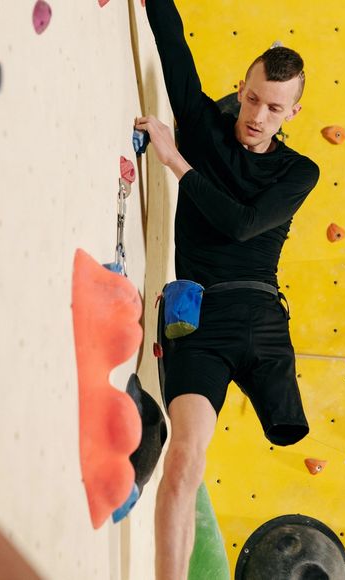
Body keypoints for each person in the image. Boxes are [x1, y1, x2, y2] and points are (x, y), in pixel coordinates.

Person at [135, 0, 320, 578]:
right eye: (252, 98)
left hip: (262, 320)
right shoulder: (201, 123)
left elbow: (241, 223)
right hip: (200, 315)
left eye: (274, 107)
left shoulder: (299, 172)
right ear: (241, 88)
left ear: (293, 111)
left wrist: (176, 162)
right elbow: (172, 41)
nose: (258, 116)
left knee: (288, 429)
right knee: (185, 458)